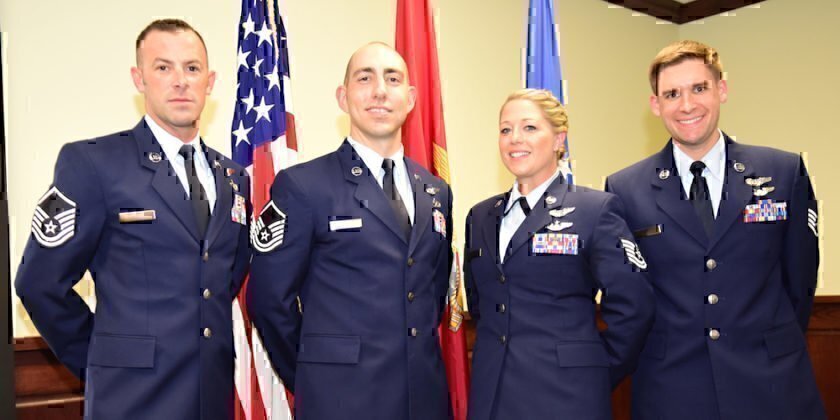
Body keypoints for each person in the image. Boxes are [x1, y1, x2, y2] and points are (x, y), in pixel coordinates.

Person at [14, 19, 251, 419]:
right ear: (139, 78)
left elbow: (224, 278)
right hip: (131, 400)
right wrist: (103, 361)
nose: (180, 81)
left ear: (209, 82)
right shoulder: (94, 164)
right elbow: (39, 284)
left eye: (192, 68)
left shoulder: (234, 178)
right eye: (163, 67)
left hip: (211, 397)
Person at [605, 40, 825, 419]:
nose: (687, 105)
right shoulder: (625, 189)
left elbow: (800, 282)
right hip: (673, 391)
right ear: (655, 104)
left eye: (699, 88)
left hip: (772, 386)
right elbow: (630, 298)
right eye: (672, 94)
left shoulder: (783, 172)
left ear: (721, 90)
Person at [247, 42, 452, 420]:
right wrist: (315, 373)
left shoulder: (435, 192)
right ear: (343, 97)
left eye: (393, 79)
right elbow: (268, 302)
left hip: (423, 401)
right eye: (365, 78)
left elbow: (431, 296)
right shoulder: (304, 186)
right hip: (339, 402)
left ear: (410, 99)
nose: (380, 91)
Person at [465, 89, 654, 420]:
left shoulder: (594, 210)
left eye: (529, 127)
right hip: (493, 396)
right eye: (506, 129)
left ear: (559, 139)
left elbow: (634, 305)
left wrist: (592, 369)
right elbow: (483, 305)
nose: (515, 138)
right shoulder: (480, 216)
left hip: (567, 397)